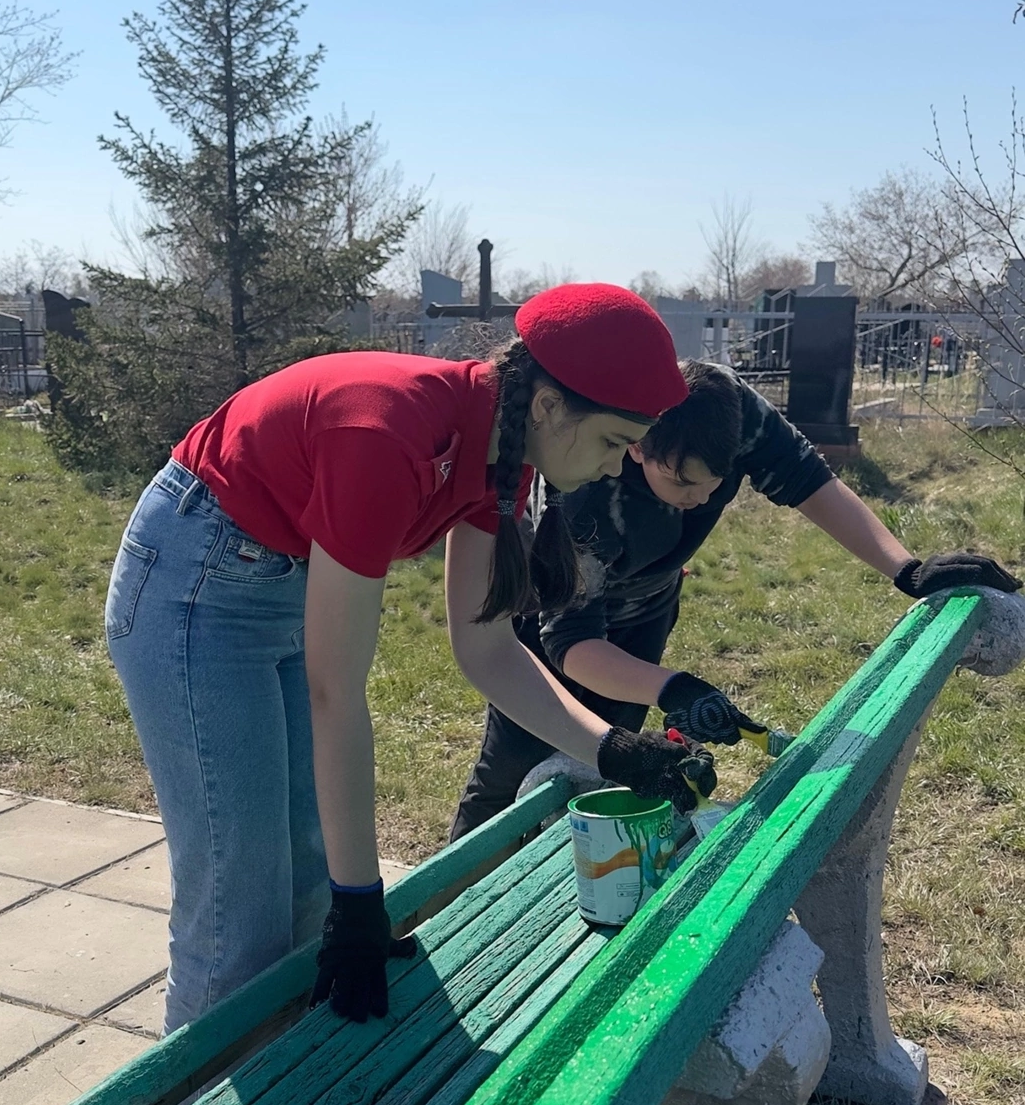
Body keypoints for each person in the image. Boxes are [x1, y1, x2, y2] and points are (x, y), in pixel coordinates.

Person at [105, 284, 719, 1032]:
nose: (620, 468)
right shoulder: (387, 435)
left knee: (303, 874)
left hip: (273, 571)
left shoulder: (505, 449)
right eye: (614, 442)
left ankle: (278, 1076)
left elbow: (487, 649)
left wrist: (615, 750)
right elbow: (338, 692)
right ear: (551, 406)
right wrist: (362, 903)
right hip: (196, 581)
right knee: (238, 902)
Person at [451, 359, 1020, 836]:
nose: (700, 500)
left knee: (617, 760)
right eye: (682, 483)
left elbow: (809, 481)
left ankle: (588, 880)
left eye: (715, 483)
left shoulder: (730, 407)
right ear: (637, 448)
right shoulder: (584, 488)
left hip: (647, 603)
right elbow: (572, 643)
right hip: (552, 619)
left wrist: (908, 570)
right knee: (512, 766)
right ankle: (448, 901)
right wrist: (676, 688)